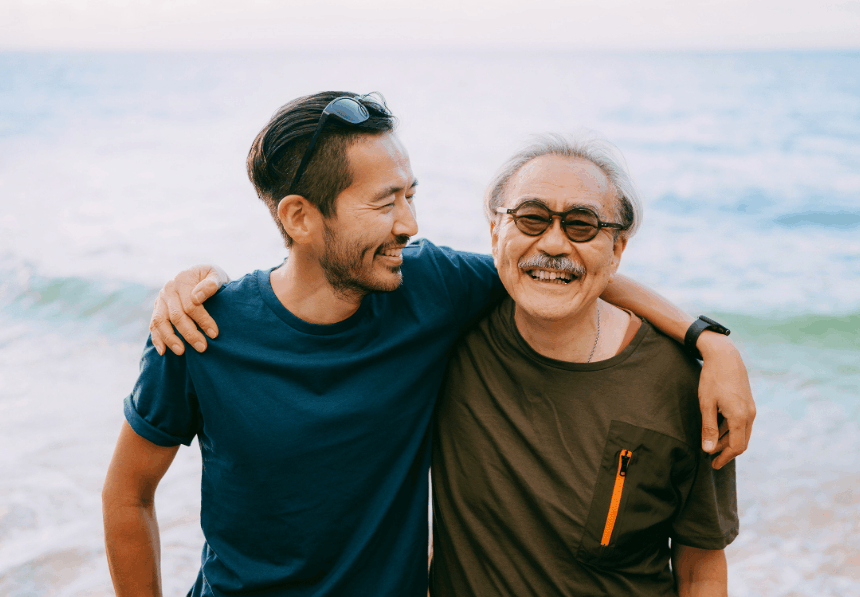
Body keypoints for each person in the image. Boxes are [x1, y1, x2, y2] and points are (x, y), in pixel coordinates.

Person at [103, 91, 753, 597]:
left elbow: (558, 267)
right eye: (386, 203)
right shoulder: (200, 329)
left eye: (411, 197)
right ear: (300, 217)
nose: (410, 225)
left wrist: (707, 340)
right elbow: (128, 494)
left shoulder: (429, 287)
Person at [430, 134, 736, 596]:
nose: (553, 243)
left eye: (582, 224)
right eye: (531, 218)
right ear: (496, 231)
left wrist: (712, 344)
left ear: (617, 250)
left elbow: (701, 567)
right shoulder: (446, 334)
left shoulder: (684, 385)